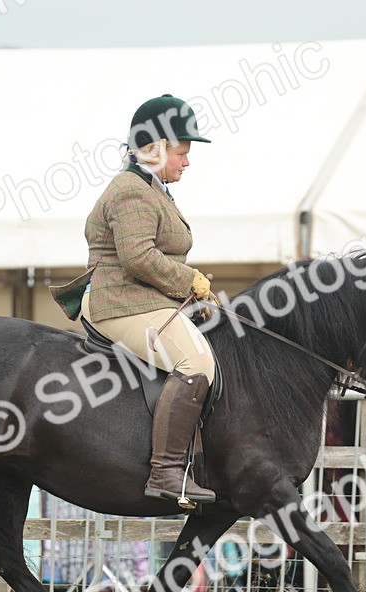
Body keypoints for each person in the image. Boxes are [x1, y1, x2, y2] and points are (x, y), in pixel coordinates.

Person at [52, 94, 218, 505]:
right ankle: (166, 473)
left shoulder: (151, 188)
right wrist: (188, 278)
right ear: (156, 148)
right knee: (195, 362)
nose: (187, 161)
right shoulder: (131, 190)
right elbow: (137, 256)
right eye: (182, 152)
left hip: (143, 298)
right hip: (119, 300)